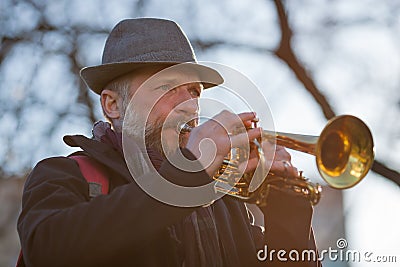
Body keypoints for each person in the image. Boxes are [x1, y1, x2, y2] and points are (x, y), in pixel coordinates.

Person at [17, 18, 321, 267]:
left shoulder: (221, 199)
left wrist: (287, 206)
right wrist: (190, 173)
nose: (189, 105)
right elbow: (46, 251)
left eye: (194, 92)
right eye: (166, 87)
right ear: (113, 105)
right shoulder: (64, 175)